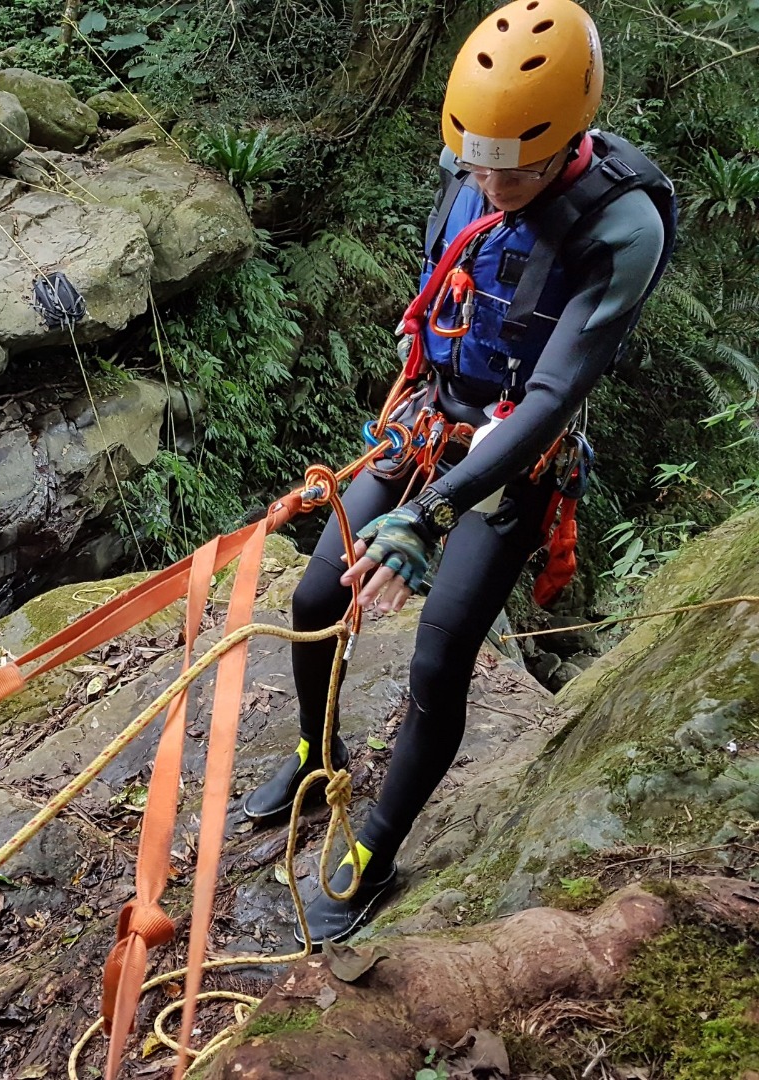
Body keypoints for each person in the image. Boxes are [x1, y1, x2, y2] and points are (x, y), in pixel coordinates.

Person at [241, 0, 676, 944]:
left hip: (514, 452)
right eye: (476, 161)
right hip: (431, 414)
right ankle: (319, 750)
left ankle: (376, 848)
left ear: (568, 136)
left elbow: (556, 392)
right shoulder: (472, 164)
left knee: (438, 656)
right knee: (316, 595)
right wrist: (418, 459)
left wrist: (427, 517)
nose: (489, 179)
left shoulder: (621, 227)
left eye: (512, 168)